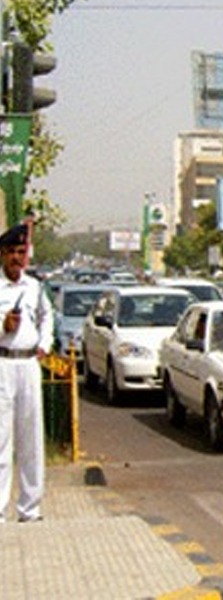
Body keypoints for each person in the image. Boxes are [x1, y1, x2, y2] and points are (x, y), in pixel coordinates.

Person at [0, 223, 53, 523]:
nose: (17, 259)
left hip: (28, 364)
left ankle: (30, 508)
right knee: (2, 440)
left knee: (31, 438)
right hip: (3, 364)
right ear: (2, 255)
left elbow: (47, 318)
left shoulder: (34, 287)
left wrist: (45, 344)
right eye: (12, 253)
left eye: (22, 252)